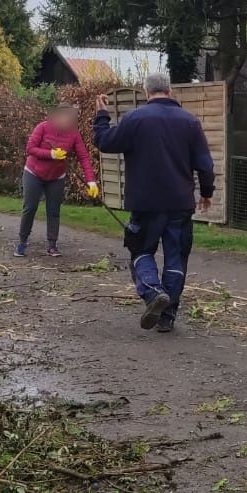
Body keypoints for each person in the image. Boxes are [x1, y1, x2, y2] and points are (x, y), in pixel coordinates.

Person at [93, 73, 215, 333]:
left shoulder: (135, 119)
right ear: (170, 91)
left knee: (141, 252)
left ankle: (152, 293)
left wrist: (102, 115)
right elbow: (205, 164)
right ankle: (167, 316)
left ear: (147, 93)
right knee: (176, 257)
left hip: (144, 203)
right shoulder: (191, 122)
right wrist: (207, 192)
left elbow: (104, 142)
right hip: (180, 203)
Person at [18, 102, 98, 258]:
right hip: (33, 173)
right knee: (30, 207)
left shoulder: (73, 134)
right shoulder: (43, 127)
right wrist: (51, 155)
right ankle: (22, 241)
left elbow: (83, 157)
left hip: (56, 177)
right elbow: (30, 148)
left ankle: (52, 245)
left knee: (54, 210)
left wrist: (91, 181)